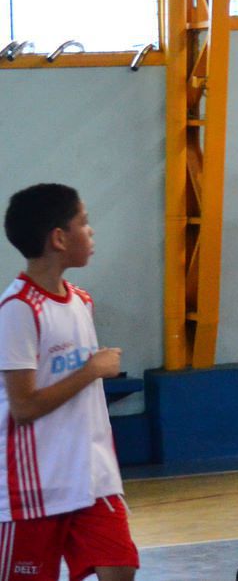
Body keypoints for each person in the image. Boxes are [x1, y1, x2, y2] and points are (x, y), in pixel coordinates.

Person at [1, 184, 135, 581]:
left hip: (92, 479)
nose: (91, 232)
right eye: (84, 223)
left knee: (120, 568)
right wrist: (92, 370)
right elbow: (23, 407)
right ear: (59, 238)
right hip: (35, 489)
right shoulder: (17, 310)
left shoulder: (81, 300)